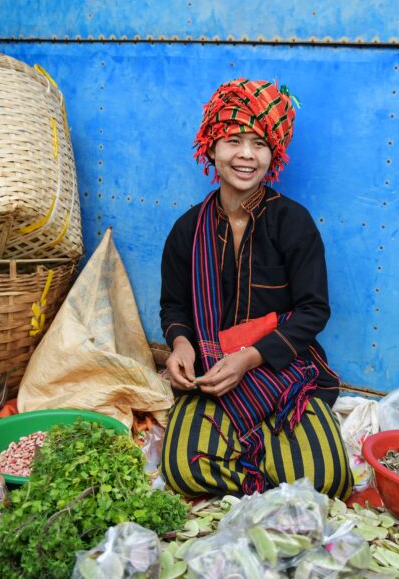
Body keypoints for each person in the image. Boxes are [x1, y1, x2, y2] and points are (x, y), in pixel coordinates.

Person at [159, 79, 352, 499]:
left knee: (326, 477)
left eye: (260, 144)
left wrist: (250, 358)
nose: (246, 155)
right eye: (233, 140)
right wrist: (181, 346)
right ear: (211, 148)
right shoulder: (187, 231)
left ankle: (262, 473)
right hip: (212, 369)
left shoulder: (293, 223)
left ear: (273, 155)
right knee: (184, 471)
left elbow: (312, 311)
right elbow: (173, 305)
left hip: (285, 371)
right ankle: (260, 482)